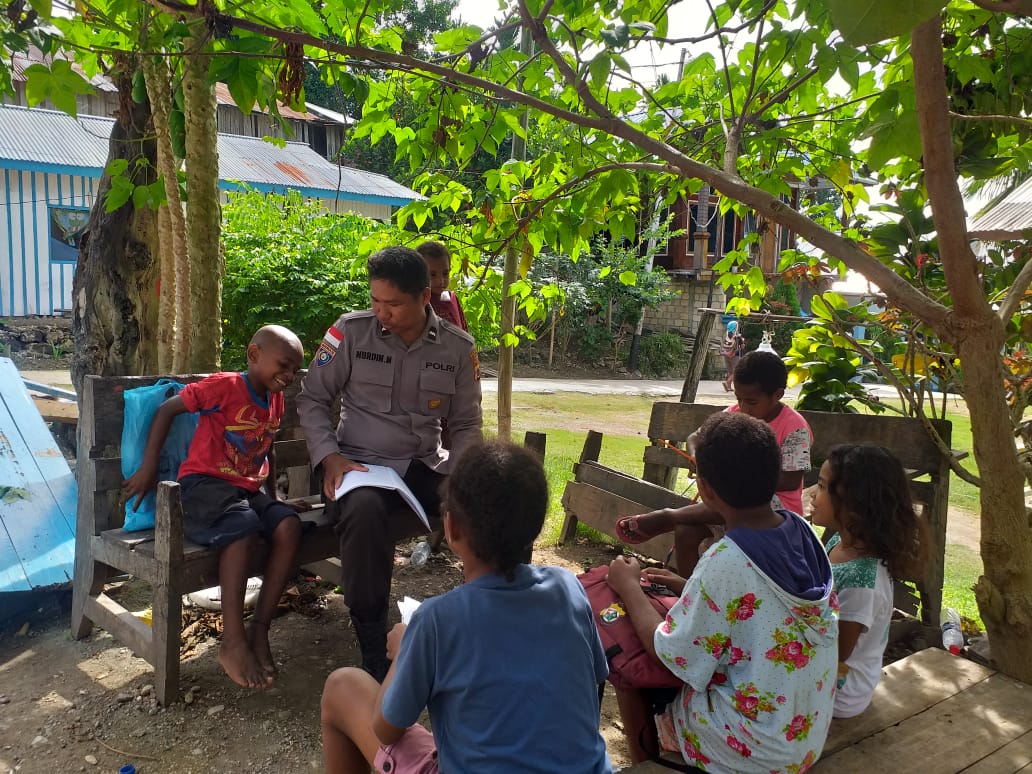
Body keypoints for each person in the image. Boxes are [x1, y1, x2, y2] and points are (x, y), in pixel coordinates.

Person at [319, 441, 612, 774]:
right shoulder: (569, 588)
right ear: (536, 528)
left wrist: (404, 653)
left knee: (342, 687)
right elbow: (594, 680)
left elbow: (385, 730)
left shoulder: (435, 621)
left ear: (451, 527)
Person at [605, 411, 837, 770]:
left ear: (705, 489)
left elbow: (673, 653)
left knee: (629, 668)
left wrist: (628, 585)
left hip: (756, 752)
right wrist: (686, 586)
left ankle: (647, 763)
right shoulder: (802, 533)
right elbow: (759, 606)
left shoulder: (727, 560)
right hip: (804, 737)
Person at [296, 246, 483, 681]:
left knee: (492, 505)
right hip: (357, 468)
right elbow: (313, 399)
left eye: (393, 304)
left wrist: (462, 479)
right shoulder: (350, 332)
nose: (382, 312)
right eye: (376, 301)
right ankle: (373, 641)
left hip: (421, 467)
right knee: (363, 513)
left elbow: (467, 423)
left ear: (424, 296)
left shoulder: (457, 348)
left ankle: (486, 621)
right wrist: (329, 457)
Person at [123, 325, 306, 689]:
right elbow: (165, 411)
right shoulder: (224, 387)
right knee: (243, 529)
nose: (287, 377)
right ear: (254, 355)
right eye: (282, 366)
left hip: (247, 489)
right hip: (203, 485)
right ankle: (233, 641)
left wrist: (276, 498)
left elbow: (264, 445)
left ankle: (259, 630)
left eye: (293, 371)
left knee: (288, 527)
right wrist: (148, 468)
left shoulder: (275, 396)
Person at [616, 350, 813, 574]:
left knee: (734, 496)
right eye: (738, 398)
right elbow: (695, 437)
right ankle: (687, 593)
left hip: (777, 511)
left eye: (751, 401)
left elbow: (790, 479)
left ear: (777, 394)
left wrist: (731, 479)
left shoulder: (794, 427)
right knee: (685, 531)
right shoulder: (734, 413)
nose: (743, 407)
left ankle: (669, 516)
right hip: (731, 503)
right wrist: (702, 458)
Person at [810, 443, 928, 718]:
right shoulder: (843, 541)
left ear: (855, 505)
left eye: (823, 487)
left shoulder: (864, 582)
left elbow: (836, 653)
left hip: (841, 694)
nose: (814, 494)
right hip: (823, 660)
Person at [416, 240, 468, 332]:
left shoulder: (452, 298)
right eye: (432, 275)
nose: (441, 281)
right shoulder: (415, 303)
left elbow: (464, 332)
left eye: (445, 273)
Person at [720, 318, 745, 392]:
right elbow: (742, 346)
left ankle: (729, 387)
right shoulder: (737, 336)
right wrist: (742, 342)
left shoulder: (725, 334)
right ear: (735, 327)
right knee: (736, 371)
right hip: (735, 355)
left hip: (726, 354)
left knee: (730, 371)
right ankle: (727, 383)